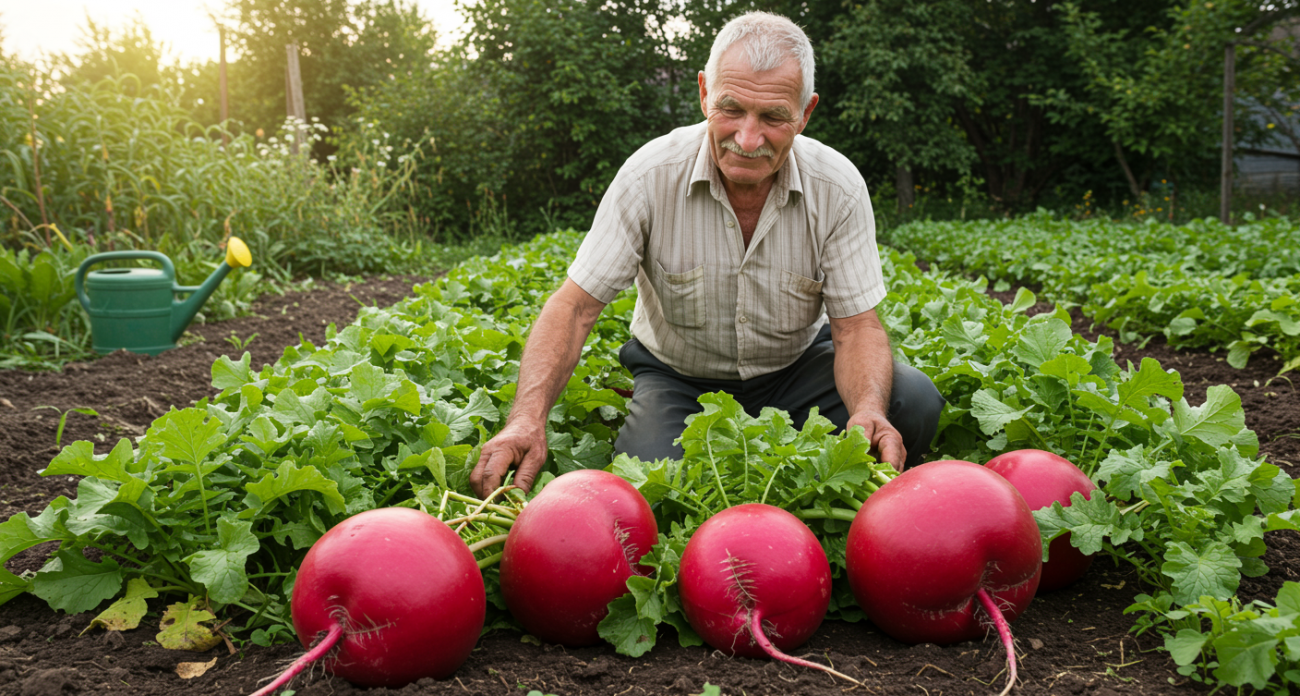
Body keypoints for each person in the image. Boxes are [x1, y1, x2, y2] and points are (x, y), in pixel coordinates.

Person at [470, 11, 944, 499]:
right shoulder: (649, 177)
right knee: (657, 480)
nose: (747, 139)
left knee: (913, 402)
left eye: (774, 117)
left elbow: (855, 326)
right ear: (703, 93)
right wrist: (525, 419)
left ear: (806, 114)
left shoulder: (837, 188)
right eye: (731, 109)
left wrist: (866, 407)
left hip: (798, 373)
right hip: (680, 380)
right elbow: (575, 308)